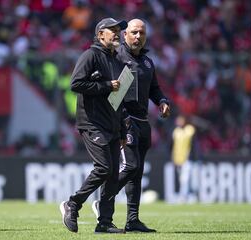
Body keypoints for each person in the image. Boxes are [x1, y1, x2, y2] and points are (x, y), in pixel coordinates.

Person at [92, 18, 170, 233]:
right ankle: (104, 203)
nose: (138, 37)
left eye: (141, 33)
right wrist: (121, 119)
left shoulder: (147, 62)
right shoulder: (117, 58)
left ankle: (132, 220)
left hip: (144, 121)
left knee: (137, 172)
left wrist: (162, 101)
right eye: (134, 32)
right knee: (131, 166)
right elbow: (111, 93)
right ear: (125, 35)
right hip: (124, 120)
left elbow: (155, 88)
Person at [59, 17, 128, 234]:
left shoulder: (118, 62)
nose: (117, 33)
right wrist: (107, 85)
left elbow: (120, 100)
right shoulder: (90, 55)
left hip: (113, 125)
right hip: (92, 122)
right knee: (104, 168)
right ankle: (73, 204)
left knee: (113, 175)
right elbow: (76, 84)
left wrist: (123, 130)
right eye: (113, 30)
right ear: (100, 35)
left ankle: (105, 222)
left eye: (119, 30)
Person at [171, 115, 198, 203]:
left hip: (187, 158)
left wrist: (193, 157)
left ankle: (184, 196)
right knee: (181, 179)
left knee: (185, 179)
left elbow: (193, 145)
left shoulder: (190, 130)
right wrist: (173, 158)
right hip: (178, 159)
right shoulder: (176, 132)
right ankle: (187, 195)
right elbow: (172, 146)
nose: (179, 122)